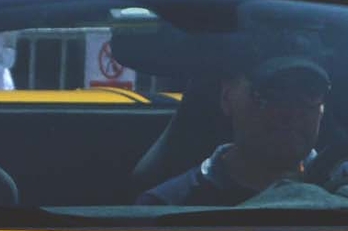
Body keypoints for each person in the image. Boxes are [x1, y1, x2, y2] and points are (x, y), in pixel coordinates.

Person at [137, 57, 330, 206]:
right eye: (270, 93)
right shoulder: (165, 209)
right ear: (227, 97)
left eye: (309, 94)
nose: (290, 112)